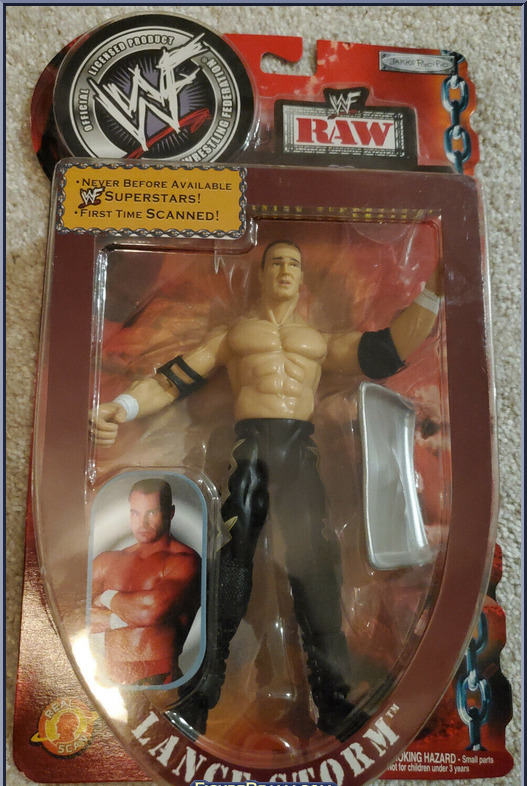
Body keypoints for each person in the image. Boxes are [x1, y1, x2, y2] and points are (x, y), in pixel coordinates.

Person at [90, 240, 441, 738]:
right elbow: (172, 380)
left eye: (293, 263)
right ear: (261, 274)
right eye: (275, 262)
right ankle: (199, 698)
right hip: (250, 450)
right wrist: (120, 409)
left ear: (302, 279)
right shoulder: (235, 336)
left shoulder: (318, 341)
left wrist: (435, 292)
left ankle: (333, 700)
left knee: (317, 567)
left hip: (299, 451)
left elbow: (388, 350)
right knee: (231, 564)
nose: (284, 270)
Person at [90, 478, 201, 686]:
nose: (142, 523)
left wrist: (105, 597)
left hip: (158, 679)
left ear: (170, 513)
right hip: (110, 680)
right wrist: (121, 616)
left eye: (151, 513)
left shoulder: (186, 561)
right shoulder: (107, 561)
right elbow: (75, 614)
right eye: (135, 513)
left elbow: (149, 611)